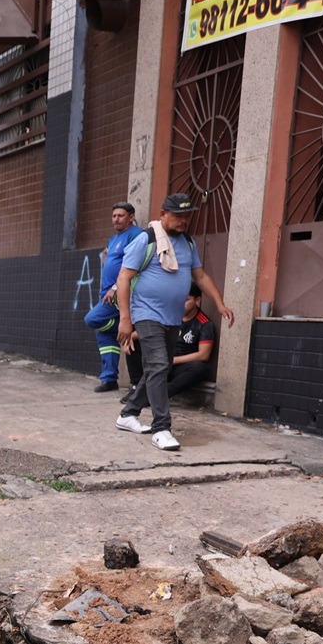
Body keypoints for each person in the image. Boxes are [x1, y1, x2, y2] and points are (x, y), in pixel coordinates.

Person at [114, 193, 234, 451]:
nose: (183, 221)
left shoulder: (188, 243)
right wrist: (126, 319)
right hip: (146, 314)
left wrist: (220, 304)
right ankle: (161, 428)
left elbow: (199, 276)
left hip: (172, 317)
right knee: (158, 365)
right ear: (163, 214)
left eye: (187, 216)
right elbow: (123, 279)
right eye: (178, 216)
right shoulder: (146, 240)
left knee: (162, 366)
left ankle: (128, 414)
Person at [87, 201, 143, 392]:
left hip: (119, 294)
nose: (116, 219)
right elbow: (110, 254)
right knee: (104, 338)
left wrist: (115, 287)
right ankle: (109, 379)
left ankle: (119, 329)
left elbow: (136, 265)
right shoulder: (115, 238)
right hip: (107, 295)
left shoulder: (136, 235)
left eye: (120, 215)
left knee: (93, 319)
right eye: (114, 216)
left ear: (131, 217)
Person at [167, 286, 215, 398]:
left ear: (197, 300)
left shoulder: (204, 324)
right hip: (164, 362)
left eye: (186, 300)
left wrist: (174, 360)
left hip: (181, 367)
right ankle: (137, 387)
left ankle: (164, 394)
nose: (181, 303)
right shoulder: (171, 316)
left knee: (200, 368)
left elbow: (204, 355)